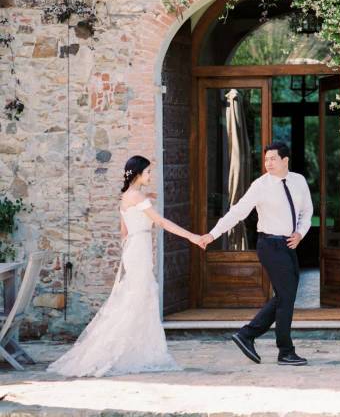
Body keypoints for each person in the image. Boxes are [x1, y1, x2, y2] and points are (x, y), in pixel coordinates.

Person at [47, 155, 204, 377]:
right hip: (139, 250)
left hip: (134, 248)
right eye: (148, 172)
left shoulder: (127, 196)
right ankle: (117, 351)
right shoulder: (137, 197)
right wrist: (192, 237)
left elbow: (124, 232)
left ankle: (135, 350)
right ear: (138, 174)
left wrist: (129, 251)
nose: (150, 175)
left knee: (137, 298)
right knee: (136, 300)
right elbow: (160, 222)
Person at [199, 141, 312, 366]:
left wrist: (300, 233)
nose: (268, 163)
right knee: (286, 297)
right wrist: (212, 235)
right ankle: (284, 351)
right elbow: (238, 212)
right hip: (270, 245)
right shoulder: (260, 185)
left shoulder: (298, 181)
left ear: (285, 160)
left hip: (290, 244)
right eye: (266, 159)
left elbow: (307, 211)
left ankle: (247, 335)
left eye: (273, 159)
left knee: (284, 296)